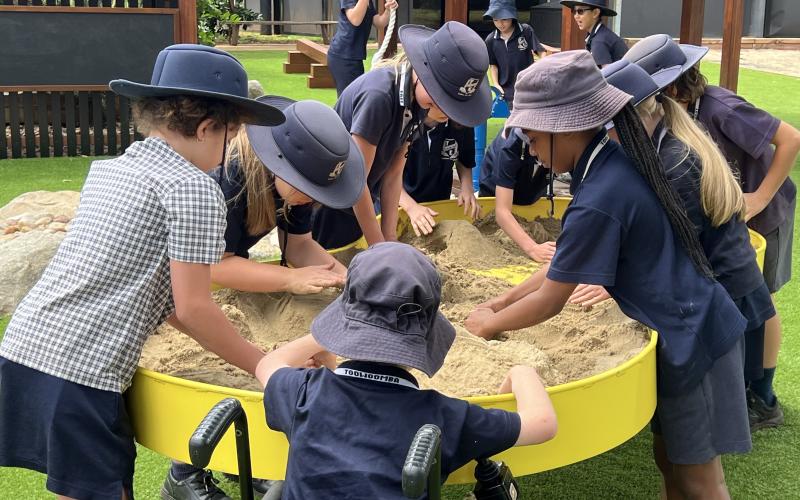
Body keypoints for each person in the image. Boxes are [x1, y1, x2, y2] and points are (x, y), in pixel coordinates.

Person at [0, 44, 284, 500]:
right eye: (230, 136)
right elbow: (193, 307)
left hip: (26, 347)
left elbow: (150, 286)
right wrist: (261, 362)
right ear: (208, 128)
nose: (229, 149)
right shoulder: (193, 189)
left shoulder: (113, 169)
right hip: (82, 369)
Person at [465, 50, 750, 499]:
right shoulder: (603, 163)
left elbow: (552, 298)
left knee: (701, 482)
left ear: (566, 127)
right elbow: (564, 266)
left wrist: (489, 323)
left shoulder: (601, 192)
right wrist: (500, 301)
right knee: (669, 461)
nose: (532, 152)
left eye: (534, 137)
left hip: (695, 338)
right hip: (680, 330)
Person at [161, 96, 366, 500]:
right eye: (308, 188)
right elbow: (214, 266)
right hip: (179, 289)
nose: (312, 197)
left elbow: (299, 248)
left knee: (270, 364)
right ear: (280, 165)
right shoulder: (226, 180)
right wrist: (288, 282)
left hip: (204, 285)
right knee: (240, 368)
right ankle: (184, 472)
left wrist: (346, 276)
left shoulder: (294, 184)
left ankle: (251, 460)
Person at [255, 242, 558, 498]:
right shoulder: (443, 418)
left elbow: (268, 364)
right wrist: (522, 372)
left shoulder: (305, 393)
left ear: (343, 325)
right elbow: (542, 423)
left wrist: (324, 340)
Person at [624, 34, 800, 430]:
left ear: (669, 88)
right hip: (724, 216)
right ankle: (741, 385)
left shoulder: (721, 108)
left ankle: (764, 397)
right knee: (740, 302)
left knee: (761, 300)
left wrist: (759, 198)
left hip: (763, 214)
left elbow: (790, 138)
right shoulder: (675, 121)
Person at [312, 21, 492, 250]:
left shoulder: (416, 104)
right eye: (440, 99)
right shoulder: (378, 97)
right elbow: (355, 181)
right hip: (329, 203)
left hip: (359, 204)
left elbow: (393, 173)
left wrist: (390, 238)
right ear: (423, 72)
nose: (445, 112)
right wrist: (380, 247)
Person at [478, 127, 556, 262]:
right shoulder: (509, 146)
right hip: (495, 193)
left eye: (534, 141)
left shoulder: (569, 143)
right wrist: (533, 248)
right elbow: (501, 211)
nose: (532, 150)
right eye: (530, 142)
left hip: (533, 193)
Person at [400, 116, 479, 236]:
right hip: (399, 203)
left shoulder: (462, 120)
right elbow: (386, 179)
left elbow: (464, 158)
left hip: (439, 201)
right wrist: (411, 207)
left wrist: (466, 186)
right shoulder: (404, 123)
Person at [483, 0, 554, 109]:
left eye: (504, 19)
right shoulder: (490, 40)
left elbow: (541, 51)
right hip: (505, 90)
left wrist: (539, 69)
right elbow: (493, 65)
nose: (500, 24)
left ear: (512, 16)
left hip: (528, 86)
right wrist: (496, 84)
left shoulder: (525, 30)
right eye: (496, 20)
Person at [327, 0, 399, 96]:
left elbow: (379, 22)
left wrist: (388, 9)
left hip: (355, 57)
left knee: (357, 96)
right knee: (349, 99)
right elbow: (355, 20)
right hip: (342, 55)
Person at [559, 0, 627, 67]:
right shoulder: (598, 34)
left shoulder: (599, 40)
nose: (576, 16)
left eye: (580, 11)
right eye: (574, 11)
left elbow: (607, 74)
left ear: (595, 13)